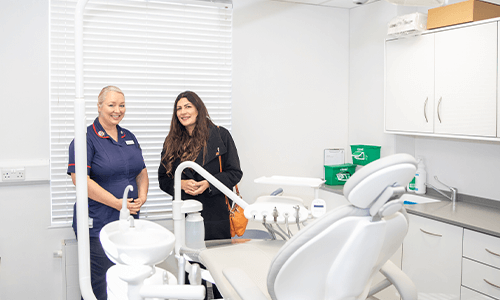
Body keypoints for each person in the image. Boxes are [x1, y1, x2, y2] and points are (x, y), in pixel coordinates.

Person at [67, 85, 149, 300]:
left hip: (127, 221)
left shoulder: (128, 136)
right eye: (111, 104)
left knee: (124, 280)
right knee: (99, 283)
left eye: (122, 105)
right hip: (97, 223)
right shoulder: (85, 138)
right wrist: (117, 203)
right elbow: (80, 180)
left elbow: (141, 170)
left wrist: (142, 196)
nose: (117, 110)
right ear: (99, 106)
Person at [158, 91, 243, 241]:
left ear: (198, 109)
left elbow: (235, 173)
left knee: (215, 260)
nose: (183, 112)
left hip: (216, 215)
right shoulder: (171, 141)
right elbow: (163, 179)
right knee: (188, 259)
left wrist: (209, 184)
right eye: (178, 108)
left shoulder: (221, 135)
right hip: (185, 215)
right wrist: (181, 184)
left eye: (188, 106)